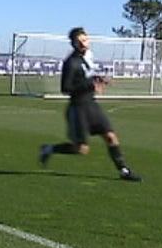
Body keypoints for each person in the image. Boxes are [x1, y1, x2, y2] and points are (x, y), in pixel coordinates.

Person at [39, 27, 141, 181]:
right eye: (79, 41)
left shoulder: (87, 57)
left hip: (92, 105)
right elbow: (65, 88)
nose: (83, 44)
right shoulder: (71, 63)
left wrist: (98, 79)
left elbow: (87, 77)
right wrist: (89, 85)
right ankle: (49, 149)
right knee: (81, 149)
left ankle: (124, 171)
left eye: (85, 40)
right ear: (73, 44)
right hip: (78, 108)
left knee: (111, 136)